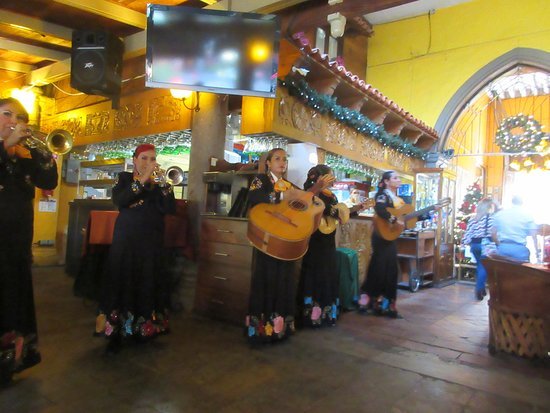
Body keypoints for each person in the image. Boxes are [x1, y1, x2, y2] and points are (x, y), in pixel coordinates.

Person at [245, 149, 332, 344]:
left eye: (285, 159)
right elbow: (254, 198)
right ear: (268, 163)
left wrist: (317, 188)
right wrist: (281, 197)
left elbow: (306, 201)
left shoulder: (290, 185)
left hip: (285, 238)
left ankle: (280, 328)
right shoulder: (261, 180)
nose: (282, 162)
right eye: (277, 158)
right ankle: (261, 331)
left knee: (284, 280)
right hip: (267, 236)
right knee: (265, 280)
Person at [96, 144, 176, 354]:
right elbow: (120, 200)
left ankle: (144, 329)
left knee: (147, 279)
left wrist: (165, 186)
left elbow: (170, 209)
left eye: (152, 159)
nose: (149, 162)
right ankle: (117, 331)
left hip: (151, 241)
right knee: (123, 279)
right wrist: (142, 178)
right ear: (134, 159)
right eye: (144, 158)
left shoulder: (158, 184)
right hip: (127, 240)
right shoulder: (124, 179)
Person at [0, 98, 58, 383]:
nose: (13, 120)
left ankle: (10, 363)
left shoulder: (24, 158)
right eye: (6, 114)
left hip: (18, 246)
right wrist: (4, 145)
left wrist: (42, 152)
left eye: (18, 116)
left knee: (13, 303)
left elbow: (48, 183)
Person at [298, 164, 368, 328]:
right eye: (330, 175)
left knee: (328, 273)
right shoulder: (311, 192)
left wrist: (358, 208)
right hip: (315, 239)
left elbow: (338, 214)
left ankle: (326, 313)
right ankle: (312, 316)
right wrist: (339, 211)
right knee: (316, 272)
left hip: (328, 239)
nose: (334, 178)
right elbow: (328, 210)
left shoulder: (331, 195)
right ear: (320, 177)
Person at [358, 171, 407, 318]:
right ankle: (372, 298)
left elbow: (405, 217)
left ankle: (382, 301)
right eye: (395, 178)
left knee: (390, 268)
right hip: (380, 236)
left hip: (390, 237)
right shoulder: (382, 196)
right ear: (386, 181)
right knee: (379, 267)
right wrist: (393, 220)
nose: (398, 180)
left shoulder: (398, 199)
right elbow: (380, 210)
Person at [462, 198, 498, 300]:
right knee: (484, 267)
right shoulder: (492, 218)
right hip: (486, 245)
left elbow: (467, 235)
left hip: (475, 245)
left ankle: (481, 288)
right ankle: (479, 288)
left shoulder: (473, 219)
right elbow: (494, 233)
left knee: (480, 265)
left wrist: (467, 243)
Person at [492, 195, 539, 263]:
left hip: (503, 248)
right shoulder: (528, 215)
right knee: (522, 272)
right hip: (520, 250)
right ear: (522, 202)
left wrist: (499, 244)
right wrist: (537, 251)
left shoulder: (500, 214)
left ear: (512, 202)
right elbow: (534, 235)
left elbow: (493, 234)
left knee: (501, 271)